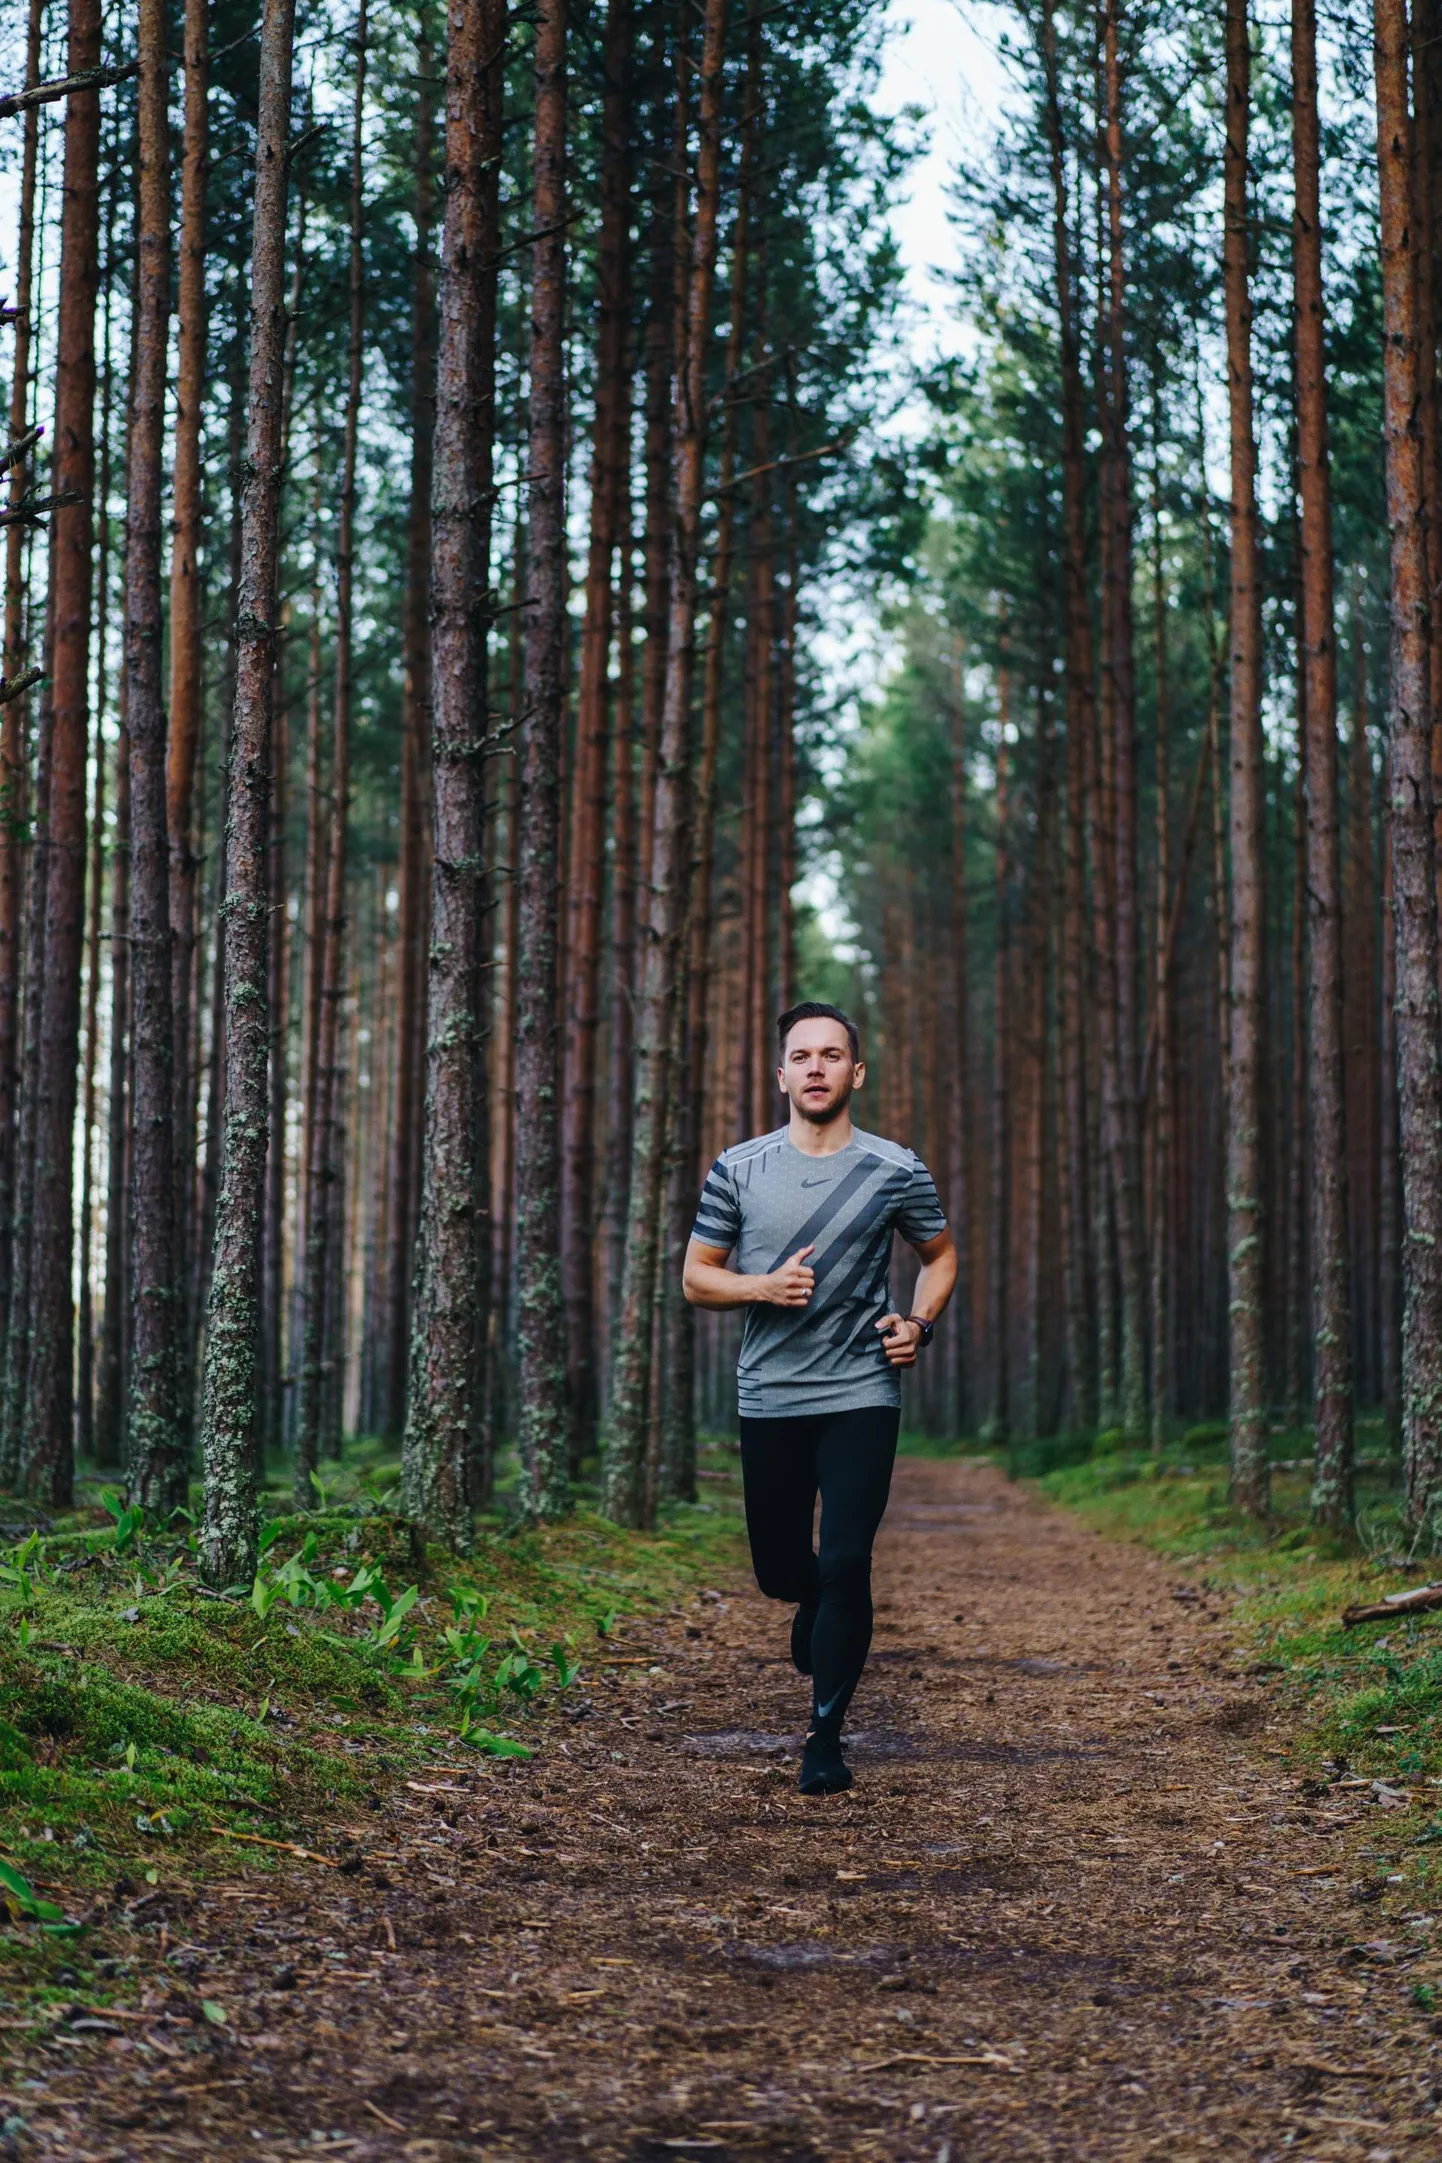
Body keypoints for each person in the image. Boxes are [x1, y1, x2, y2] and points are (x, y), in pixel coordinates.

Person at [682, 1001, 957, 1796]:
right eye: (801, 1055)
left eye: (831, 1055)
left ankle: (825, 1737)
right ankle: (807, 1600)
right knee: (781, 1571)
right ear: (780, 1074)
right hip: (770, 1392)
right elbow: (697, 1276)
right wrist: (760, 1285)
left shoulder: (895, 1168)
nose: (815, 1067)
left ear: (855, 1072)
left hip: (861, 1390)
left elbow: (939, 1256)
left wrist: (919, 1324)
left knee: (845, 1560)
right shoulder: (739, 1167)